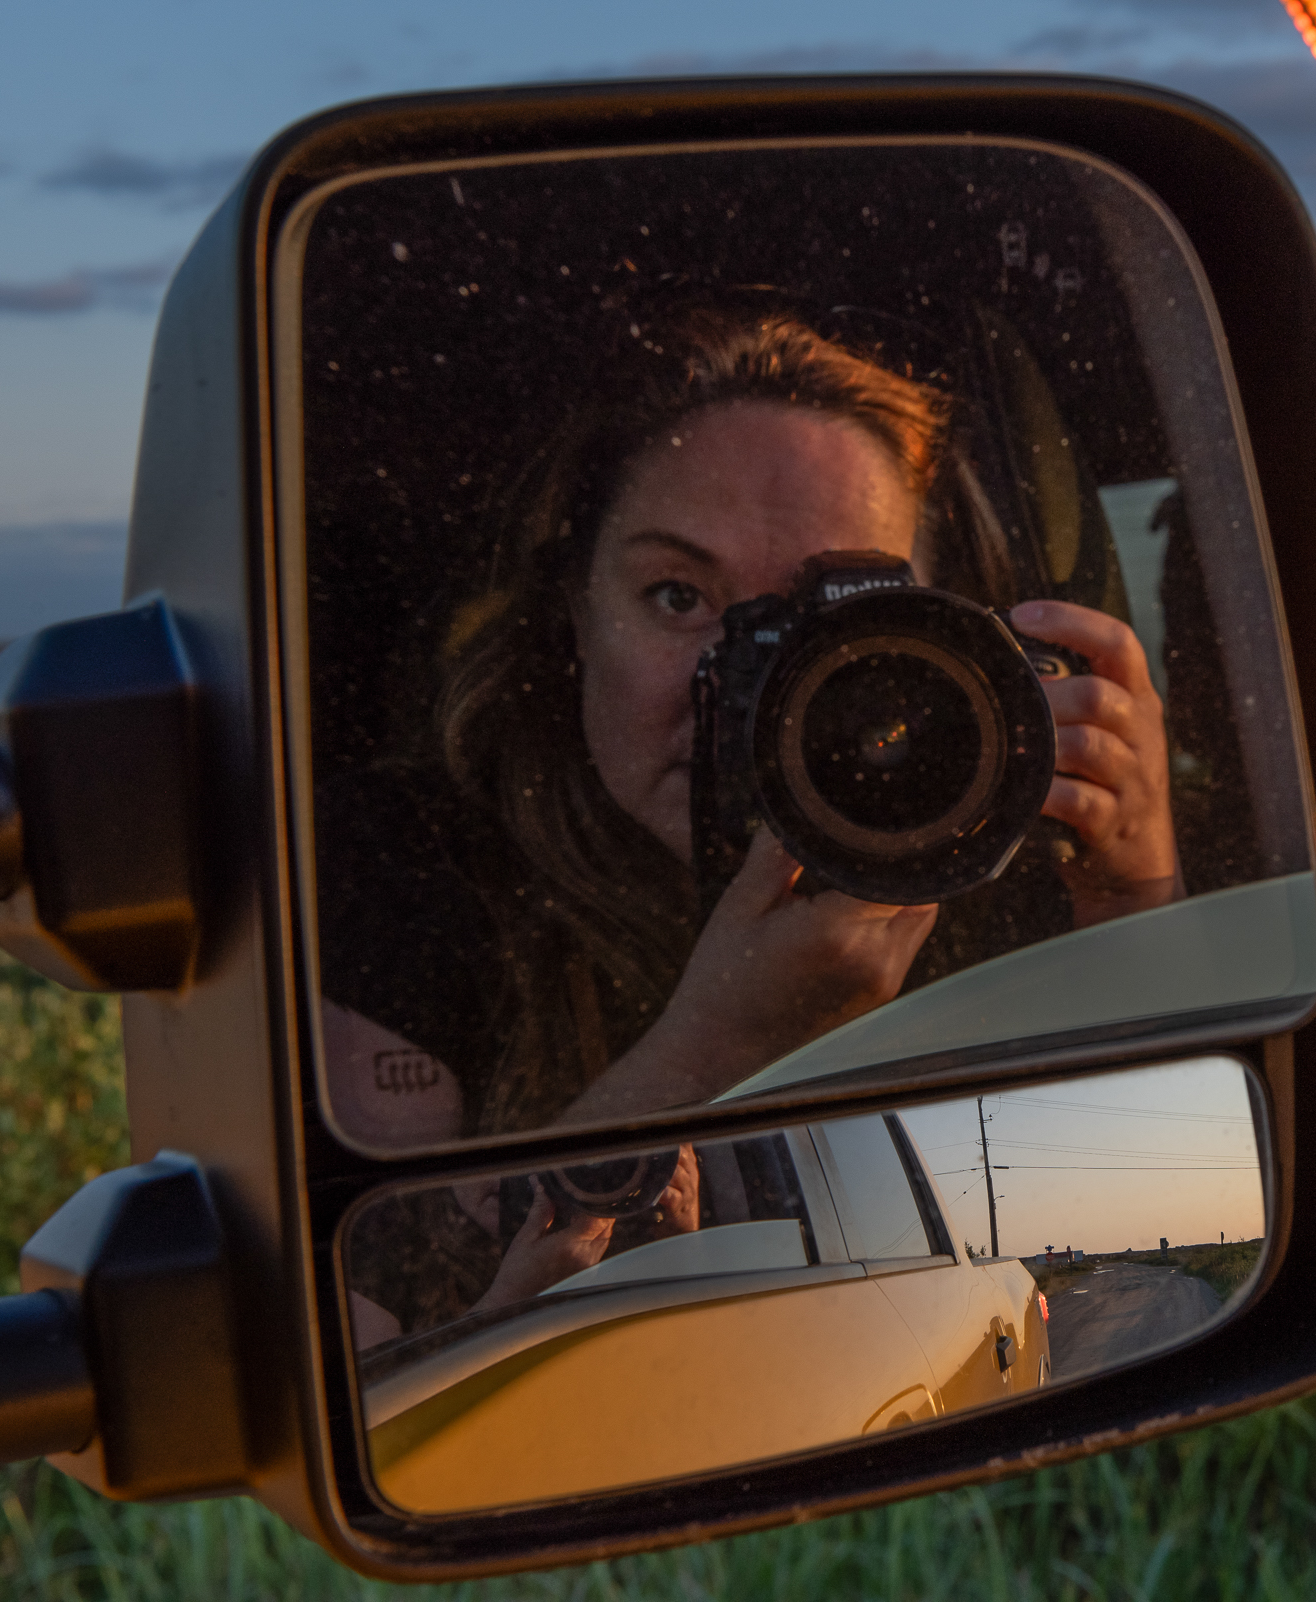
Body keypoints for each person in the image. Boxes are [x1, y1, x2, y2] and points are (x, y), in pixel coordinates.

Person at [326, 292, 1179, 1345]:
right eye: (679, 596)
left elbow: (1148, 1265)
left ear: (951, 645)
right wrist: (717, 1043)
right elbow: (368, 1347)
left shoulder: (988, 863)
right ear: (574, 619)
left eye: (844, 617)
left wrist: (1131, 901)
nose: (751, 678)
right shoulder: (412, 873)